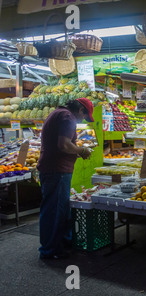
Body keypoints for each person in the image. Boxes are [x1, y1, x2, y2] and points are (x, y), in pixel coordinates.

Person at [37, 98, 94, 260]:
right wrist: (82, 151)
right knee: (54, 210)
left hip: (54, 169)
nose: (83, 120)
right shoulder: (67, 117)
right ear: (80, 110)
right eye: (84, 116)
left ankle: (62, 243)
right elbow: (64, 145)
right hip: (57, 170)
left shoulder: (58, 113)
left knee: (59, 208)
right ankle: (49, 250)